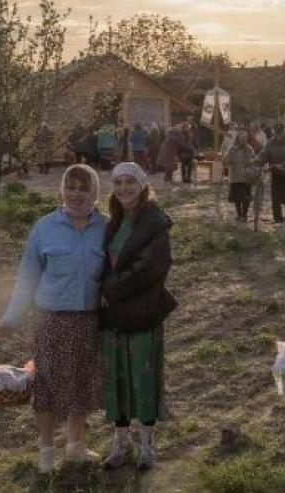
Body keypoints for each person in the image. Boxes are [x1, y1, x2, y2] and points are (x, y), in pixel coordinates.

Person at [0, 164, 106, 473]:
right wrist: (11, 318)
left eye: (84, 188)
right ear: (62, 190)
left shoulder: (106, 228)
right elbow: (27, 277)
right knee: (48, 387)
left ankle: (75, 446)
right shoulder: (45, 227)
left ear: (95, 192)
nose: (76, 194)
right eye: (71, 187)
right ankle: (46, 452)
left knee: (81, 384)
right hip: (51, 321)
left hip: (88, 321)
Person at [99, 162, 177, 471]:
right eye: (118, 183)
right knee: (116, 378)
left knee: (143, 378)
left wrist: (109, 289)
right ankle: (121, 444)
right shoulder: (114, 222)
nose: (123, 189)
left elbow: (151, 268)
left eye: (130, 182)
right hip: (114, 315)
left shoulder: (155, 221)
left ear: (142, 185)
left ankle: (146, 445)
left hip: (142, 311)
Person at [256, 123, 285, 227]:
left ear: (284, 132)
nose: (278, 136)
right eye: (276, 134)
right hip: (276, 174)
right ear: (274, 133)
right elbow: (264, 155)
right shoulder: (270, 143)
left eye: (280, 134)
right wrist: (257, 161)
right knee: (276, 198)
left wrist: (282, 165)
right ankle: (278, 219)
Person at [223, 131, 257, 222]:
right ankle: (239, 213)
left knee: (245, 197)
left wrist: (251, 170)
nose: (242, 140)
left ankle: (244, 214)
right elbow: (226, 161)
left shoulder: (249, 149)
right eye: (241, 138)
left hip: (246, 177)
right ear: (237, 139)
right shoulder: (232, 149)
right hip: (235, 177)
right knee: (237, 198)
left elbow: (253, 162)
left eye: (244, 138)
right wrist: (227, 155)